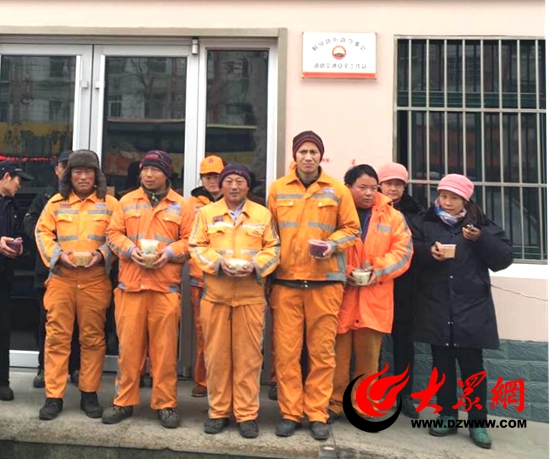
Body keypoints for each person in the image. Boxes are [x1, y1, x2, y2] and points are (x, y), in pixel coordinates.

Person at [267, 131, 360, 440]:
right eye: (303, 151)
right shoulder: (278, 189)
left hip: (325, 283)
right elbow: (270, 233)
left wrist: (332, 245)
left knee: (322, 353)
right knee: (287, 354)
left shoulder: (337, 190)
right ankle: (290, 413)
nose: (308, 157)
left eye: (313, 152)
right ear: (295, 156)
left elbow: (352, 229)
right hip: (286, 282)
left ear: (321, 156)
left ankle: (317, 413)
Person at [411, 174, 513, 449]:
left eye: (454, 198)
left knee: (472, 368)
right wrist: (427, 252)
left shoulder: (480, 224)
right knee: (441, 367)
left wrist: (480, 239)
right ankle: (446, 415)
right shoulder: (426, 222)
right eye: (443, 196)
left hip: (471, 307)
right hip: (436, 304)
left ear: (465, 200)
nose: (447, 202)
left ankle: (478, 422)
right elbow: (409, 250)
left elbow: (504, 258)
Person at [103, 150, 194, 429]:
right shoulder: (126, 201)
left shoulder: (182, 205)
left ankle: (165, 404)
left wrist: (169, 253)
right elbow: (112, 234)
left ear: (167, 174)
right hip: (130, 287)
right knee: (129, 350)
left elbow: (191, 241)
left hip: (164, 288)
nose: (149, 175)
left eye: (155, 170)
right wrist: (130, 251)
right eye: (145, 170)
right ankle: (123, 402)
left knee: (164, 353)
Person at [189, 163, 280, 439]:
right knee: (216, 357)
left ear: (248, 186)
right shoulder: (206, 213)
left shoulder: (262, 214)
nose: (234, 186)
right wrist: (218, 264)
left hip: (251, 297)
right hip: (216, 296)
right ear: (221, 185)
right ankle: (218, 412)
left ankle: (246, 415)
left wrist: (255, 266)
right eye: (228, 181)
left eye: (240, 181)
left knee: (248, 359)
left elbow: (274, 248)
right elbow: (196, 245)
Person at [35, 150, 117, 420]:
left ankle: (89, 394)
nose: (83, 177)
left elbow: (119, 236)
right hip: (62, 279)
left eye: (88, 172)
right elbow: (42, 232)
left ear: (96, 175)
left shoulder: (110, 204)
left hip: (95, 281)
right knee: (57, 339)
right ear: (69, 175)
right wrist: (58, 256)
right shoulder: (56, 203)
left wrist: (102, 254)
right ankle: (53, 397)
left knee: (93, 339)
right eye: (78, 172)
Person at [328, 164, 413, 422]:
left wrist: (376, 270)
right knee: (336, 357)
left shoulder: (393, 216)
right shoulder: (334, 213)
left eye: (373, 188)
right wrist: (346, 271)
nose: (368, 193)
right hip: (341, 295)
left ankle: (362, 405)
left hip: (375, 297)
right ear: (348, 187)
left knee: (369, 358)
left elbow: (403, 253)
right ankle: (333, 404)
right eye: (362, 187)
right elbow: (325, 250)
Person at [23, 150, 81, 389]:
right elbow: (31, 224)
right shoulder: (46, 196)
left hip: (80, 272)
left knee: (77, 324)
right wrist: (50, 242)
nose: (67, 171)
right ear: (56, 170)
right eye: (63, 166)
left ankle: (75, 368)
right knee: (47, 323)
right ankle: (44, 368)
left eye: (72, 167)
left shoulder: (87, 199)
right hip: (47, 270)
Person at [377, 162, 424, 418]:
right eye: (389, 183)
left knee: (404, 341)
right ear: (380, 185)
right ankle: (369, 389)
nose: (393, 189)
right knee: (372, 341)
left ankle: (404, 394)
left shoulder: (417, 212)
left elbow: (422, 245)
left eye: (398, 184)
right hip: (375, 284)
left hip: (405, 286)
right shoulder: (370, 208)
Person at [188, 155, 225, 398]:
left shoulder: (234, 202)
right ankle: (202, 380)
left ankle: (223, 381)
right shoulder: (190, 204)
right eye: (207, 176)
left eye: (216, 176)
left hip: (227, 278)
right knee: (203, 333)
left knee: (226, 334)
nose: (212, 181)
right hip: (199, 279)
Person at [0, 161, 33, 401]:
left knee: (3, 330)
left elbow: (24, 240)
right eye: (18, 180)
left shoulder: (14, 206)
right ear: (6, 177)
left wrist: (20, 250)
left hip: (4, 278)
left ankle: (3, 382)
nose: (20, 185)